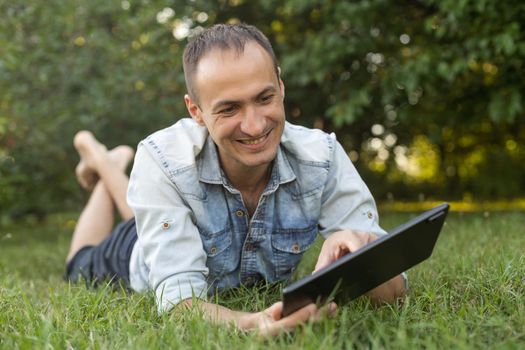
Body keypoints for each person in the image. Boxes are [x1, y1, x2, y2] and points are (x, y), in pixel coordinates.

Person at [65, 23, 406, 336]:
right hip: (138, 249)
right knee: (78, 262)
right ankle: (99, 157)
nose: (255, 127)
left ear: (281, 86)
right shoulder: (163, 160)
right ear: (195, 111)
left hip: (168, 214)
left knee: (140, 209)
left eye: (265, 98)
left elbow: (393, 293)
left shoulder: (322, 157)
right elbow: (179, 305)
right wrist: (250, 323)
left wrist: (361, 253)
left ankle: (110, 162)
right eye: (229, 109)